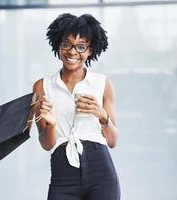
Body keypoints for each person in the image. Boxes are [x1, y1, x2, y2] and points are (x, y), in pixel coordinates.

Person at [33, 13, 121, 200]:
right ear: (58, 45)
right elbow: (47, 144)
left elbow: (113, 141)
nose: (72, 52)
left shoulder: (103, 84)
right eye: (67, 44)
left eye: (81, 47)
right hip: (62, 173)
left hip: (101, 171)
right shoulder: (42, 86)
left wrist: (102, 116)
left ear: (90, 50)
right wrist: (52, 124)